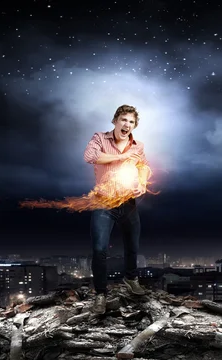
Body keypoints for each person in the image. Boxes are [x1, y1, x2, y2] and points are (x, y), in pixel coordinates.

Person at [83, 104, 150, 314]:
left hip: (127, 202)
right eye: (124, 120)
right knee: (99, 249)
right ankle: (101, 294)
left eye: (131, 122)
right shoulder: (100, 138)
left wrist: (142, 183)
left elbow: (144, 167)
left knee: (132, 246)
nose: (127, 125)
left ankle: (131, 280)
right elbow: (90, 157)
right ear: (115, 121)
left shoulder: (137, 145)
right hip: (103, 202)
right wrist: (121, 157)